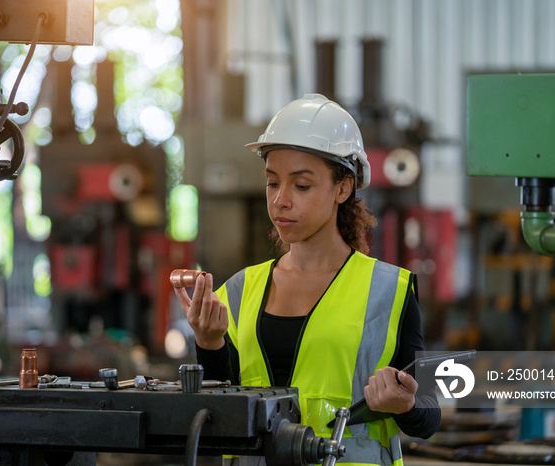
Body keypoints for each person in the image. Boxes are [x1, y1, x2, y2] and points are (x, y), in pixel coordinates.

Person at [173, 94, 440, 466]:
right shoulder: (238, 290)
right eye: (272, 183)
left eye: (301, 186)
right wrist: (208, 342)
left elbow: (429, 415)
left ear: (343, 188)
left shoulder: (387, 291)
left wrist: (405, 404)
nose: (281, 200)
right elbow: (216, 412)